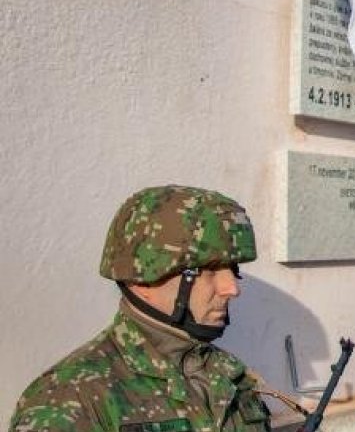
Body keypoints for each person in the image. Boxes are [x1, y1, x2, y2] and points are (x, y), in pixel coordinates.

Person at [9, 185, 271, 432]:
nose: (231, 288)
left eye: (232, 269)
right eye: (208, 270)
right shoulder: (71, 397)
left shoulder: (229, 374)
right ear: (142, 279)